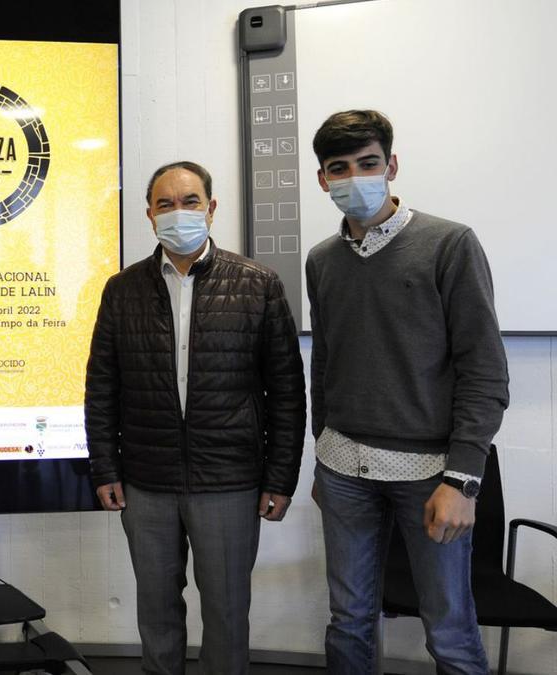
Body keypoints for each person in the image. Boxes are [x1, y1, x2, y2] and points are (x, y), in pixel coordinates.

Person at [306, 110, 510, 675]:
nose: (355, 177)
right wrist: (322, 455)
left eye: (368, 164)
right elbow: (324, 363)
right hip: (344, 469)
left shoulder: (449, 243)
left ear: (391, 165)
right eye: (339, 168)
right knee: (347, 620)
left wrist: (463, 480)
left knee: (448, 629)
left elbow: (485, 371)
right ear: (322, 179)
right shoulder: (322, 260)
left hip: (430, 473)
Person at [85, 161, 306, 675]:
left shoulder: (258, 285)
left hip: (228, 481)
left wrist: (280, 477)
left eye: (189, 202)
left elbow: (287, 393)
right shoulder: (122, 291)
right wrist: (105, 468)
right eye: (165, 204)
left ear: (211, 208)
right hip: (147, 482)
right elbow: (101, 388)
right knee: (157, 613)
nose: (178, 213)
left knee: (228, 614)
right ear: (149, 215)